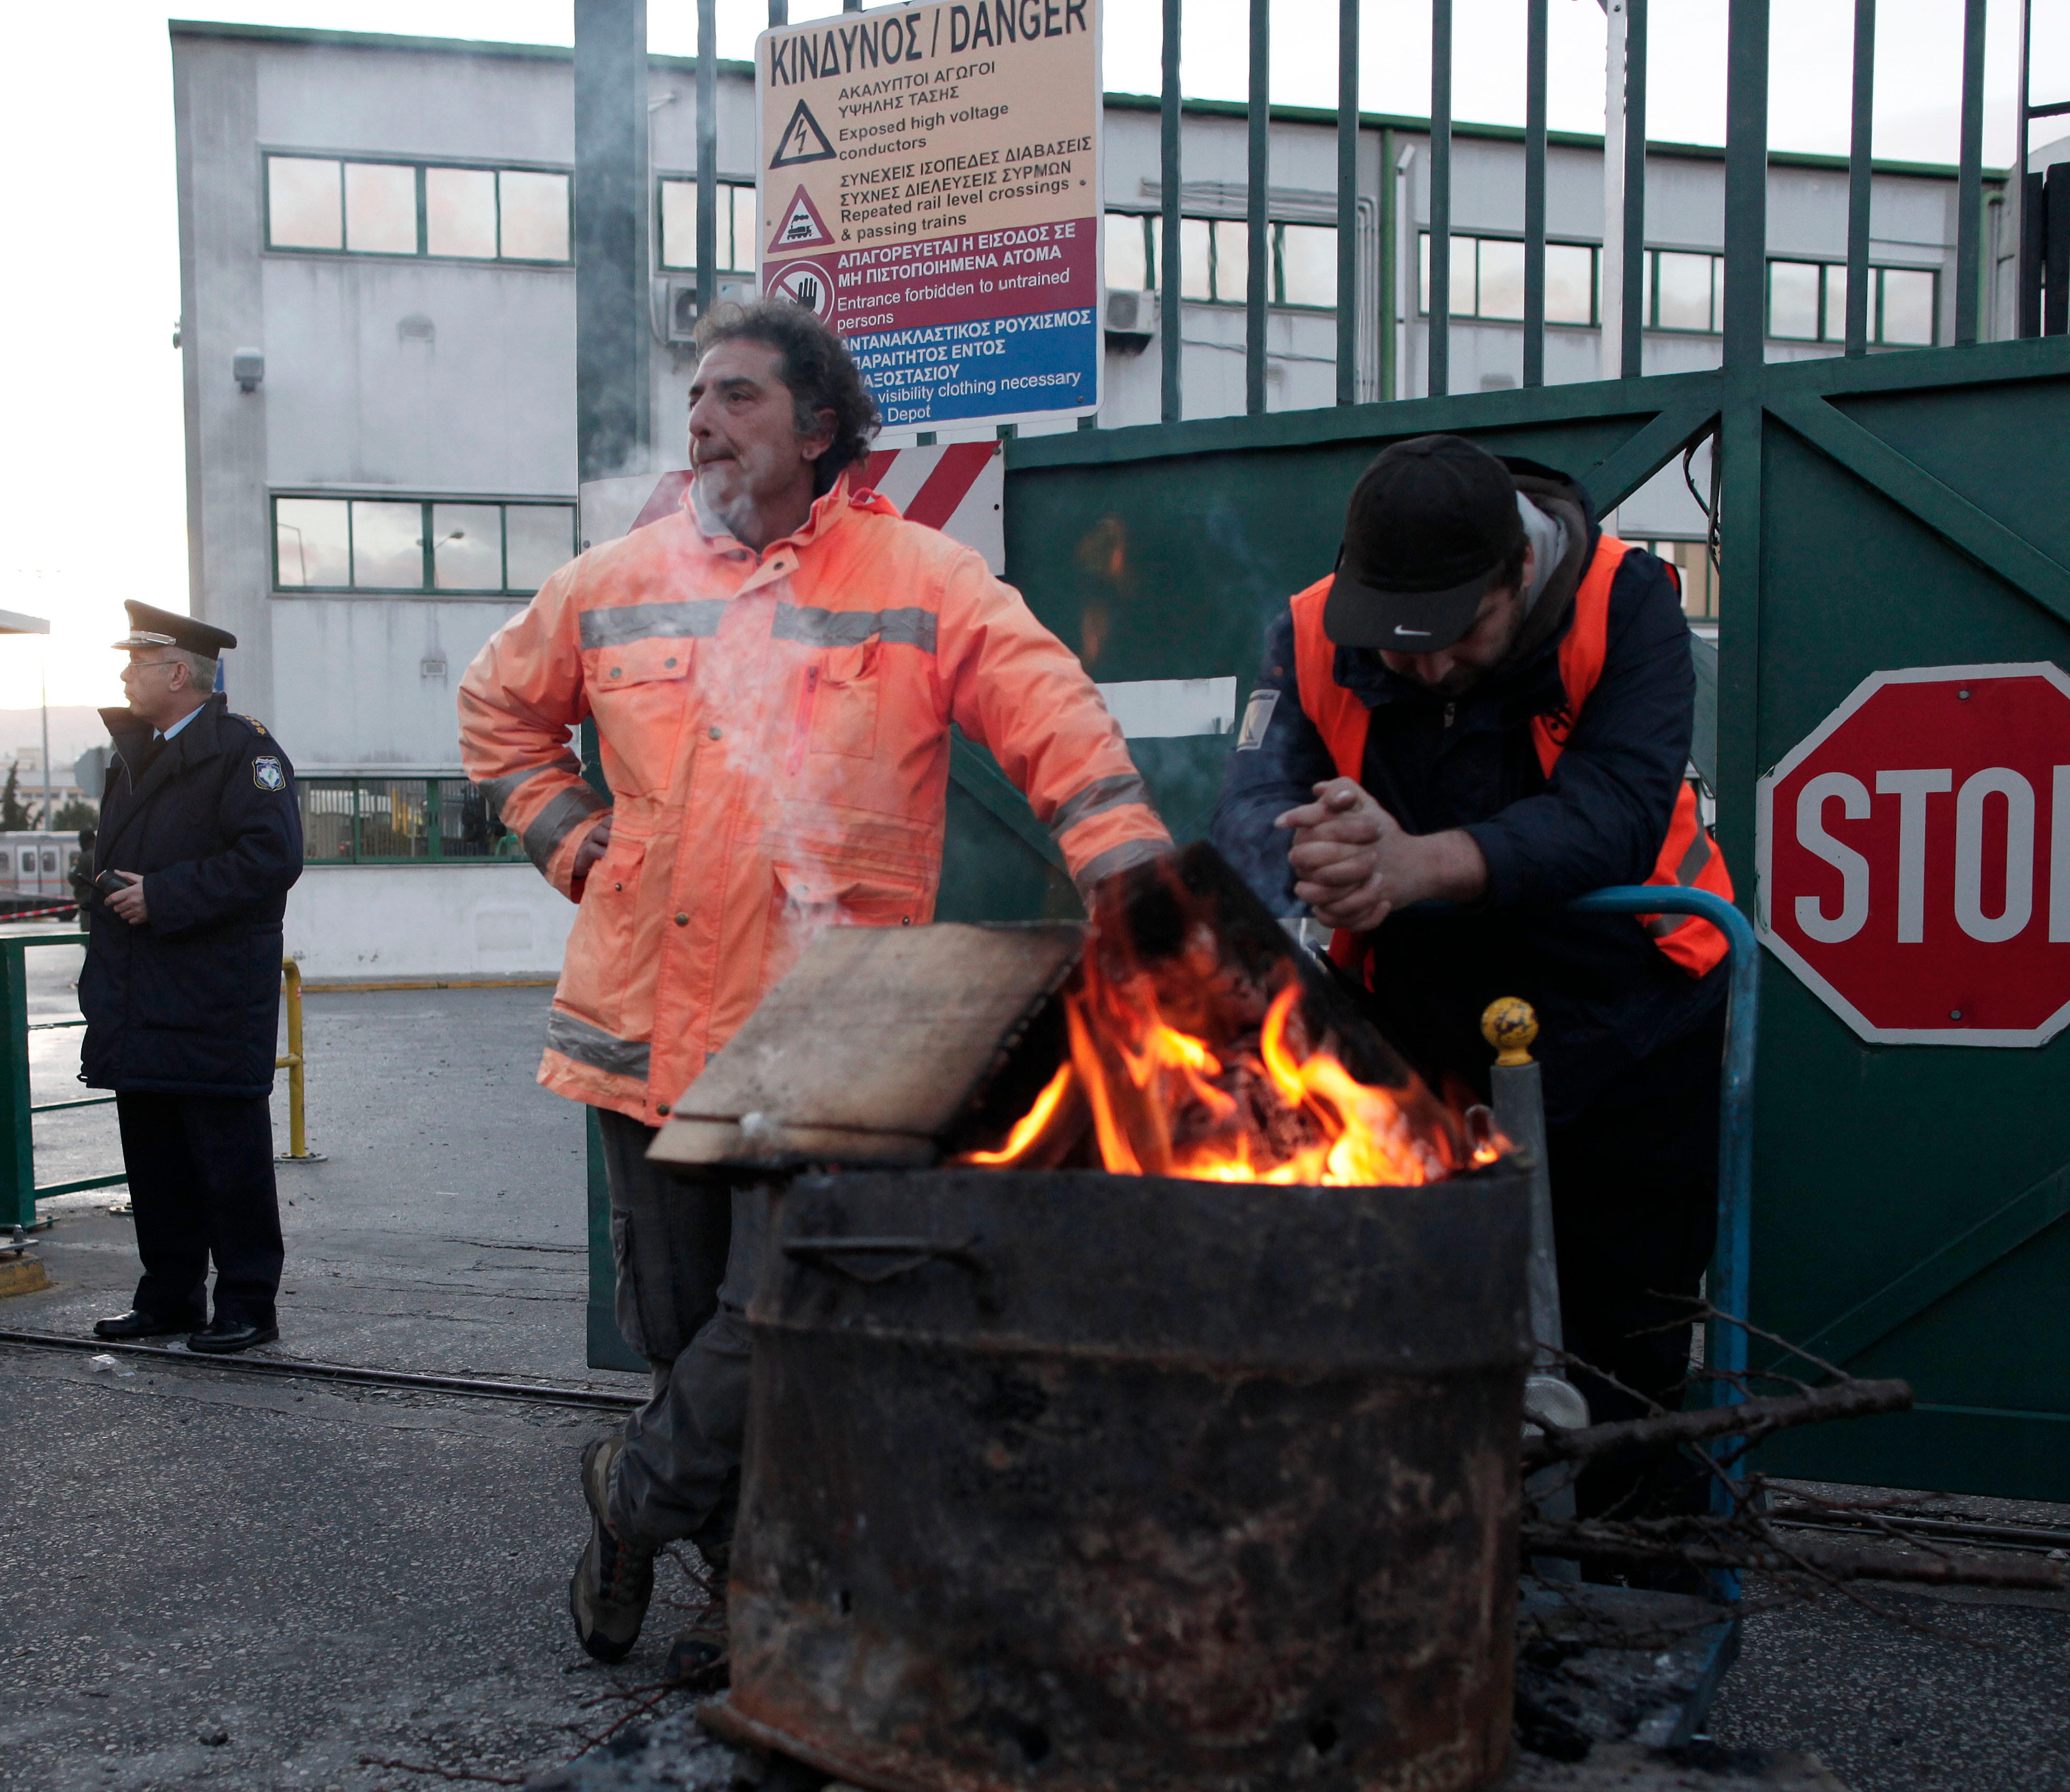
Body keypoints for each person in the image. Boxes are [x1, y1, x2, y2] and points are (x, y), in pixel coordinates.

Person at [457, 298, 1173, 1675]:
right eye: (701, 395)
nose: (707, 417)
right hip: (645, 1021)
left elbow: (1049, 710)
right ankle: (714, 1568)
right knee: (681, 1329)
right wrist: (559, 829)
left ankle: (646, 1509)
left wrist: (1126, 868)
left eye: (740, 396)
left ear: (821, 426)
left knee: (790, 1314)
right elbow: (499, 708)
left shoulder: (921, 578)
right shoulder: (618, 579)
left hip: (823, 1027)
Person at [1211, 432, 1735, 1530]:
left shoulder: (1623, 598)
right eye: (1398, 650)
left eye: (1459, 637)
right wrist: (1319, 849)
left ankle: (1627, 1574)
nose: (1430, 669)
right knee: (1417, 1300)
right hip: (1422, 1003)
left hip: (1626, 1001)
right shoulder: (1308, 629)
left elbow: (1616, 814)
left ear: (1518, 577)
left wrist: (1413, 865)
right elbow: (1254, 805)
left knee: (1620, 1328)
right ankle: (1445, 1550)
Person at [76, 602, 304, 1355]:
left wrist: (164, 896)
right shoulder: (132, 753)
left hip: (211, 993)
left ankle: (246, 1303)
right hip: (140, 990)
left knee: (227, 1159)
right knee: (156, 1158)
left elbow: (272, 860)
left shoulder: (245, 753)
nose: (124, 675)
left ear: (178, 673)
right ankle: (169, 1294)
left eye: (138, 664)